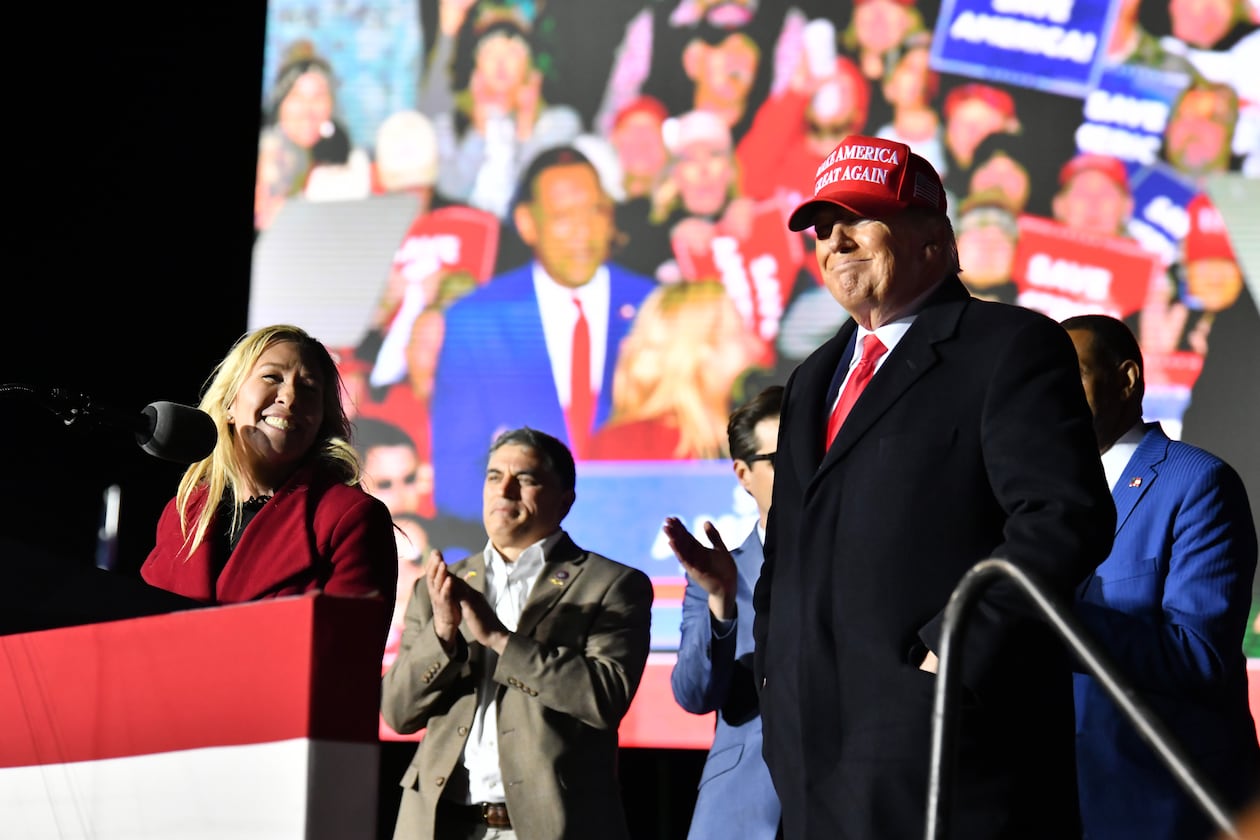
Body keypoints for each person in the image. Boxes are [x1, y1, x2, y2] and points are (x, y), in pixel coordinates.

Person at [752, 134, 1115, 839]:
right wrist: (775, 665)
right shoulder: (810, 379)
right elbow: (787, 551)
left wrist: (952, 652)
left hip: (948, 757)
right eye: (822, 227)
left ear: (932, 239)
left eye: (861, 217)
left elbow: (1062, 518)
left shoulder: (1009, 347)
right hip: (811, 762)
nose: (835, 239)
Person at [381, 427, 654, 840]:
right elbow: (398, 714)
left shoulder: (611, 584)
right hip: (441, 823)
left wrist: (500, 640)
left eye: (525, 478)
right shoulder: (440, 585)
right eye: (493, 476)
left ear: (565, 500)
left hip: (549, 825)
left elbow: (604, 697)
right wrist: (442, 634)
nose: (504, 490)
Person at [1061, 313, 1260, 840]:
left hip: (1165, 805)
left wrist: (1051, 619)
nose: (1052, 395)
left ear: (1127, 378)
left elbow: (1199, 655)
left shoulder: (1198, 482)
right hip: (1053, 802)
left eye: (1071, 375)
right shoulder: (1039, 500)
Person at [429, 145, 657, 522]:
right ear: (527, 223)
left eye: (595, 210)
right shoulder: (476, 322)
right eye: (564, 216)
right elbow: (455, 480)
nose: (584, 230)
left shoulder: (652, 308)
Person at [141, 325, 398, 629]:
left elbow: (342, 660)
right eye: (272, 377)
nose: (289, 397)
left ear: (320, 421)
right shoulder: (180, 515)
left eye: (308, 387)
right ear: (229, 403)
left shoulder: (349, 518)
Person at [664, 384, 784, 839]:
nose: (798, 468)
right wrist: (720, 600)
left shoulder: (856, 565)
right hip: (741, 812)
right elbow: (694, 695)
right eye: (778, 459)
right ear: (743, 473)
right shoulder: (721, 574)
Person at [587, 281, 764, 461]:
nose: (757, 346)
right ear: (704, 349)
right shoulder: (626, 446)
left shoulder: (752, 441)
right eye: (740, 331)